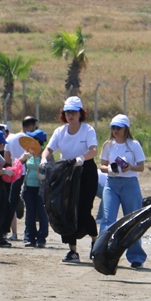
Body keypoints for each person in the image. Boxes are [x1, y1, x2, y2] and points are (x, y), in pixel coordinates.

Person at [41, 96, 99, 264]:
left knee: (83, 209)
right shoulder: (60, 131)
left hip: (85, 171)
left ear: (80, 113)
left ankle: (95, 241)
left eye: (73, 112)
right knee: (66, 210)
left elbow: (93, 150)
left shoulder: (87, 130)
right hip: (66, 173)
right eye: (67, 112)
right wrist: (45, 159)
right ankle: (72, 251)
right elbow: (49, 149)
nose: (70, 116)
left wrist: (82, 158)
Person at [98, 114, 147, 268]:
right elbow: (102, 165)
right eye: (113, 127)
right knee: (107, 219)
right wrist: (110, 170)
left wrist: (129, 167)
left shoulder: (133, 144)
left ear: (126, 128)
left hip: (130, 184)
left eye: (118, 128)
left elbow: (141, 167)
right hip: (111, 183)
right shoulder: (108, 145)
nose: (115, 131)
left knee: (133, 220)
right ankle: (102, 253)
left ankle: (136, 256)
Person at [21, 129, 49, 248]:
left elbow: (52, 170)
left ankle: (42, 237)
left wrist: (44, 176)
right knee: (30, 213)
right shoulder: (28, 154)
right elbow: (19, 166)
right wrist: (22, 159)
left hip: (40, 189)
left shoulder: (45, 155)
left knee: (42, 213)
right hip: (29, 187)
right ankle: (29, 237)